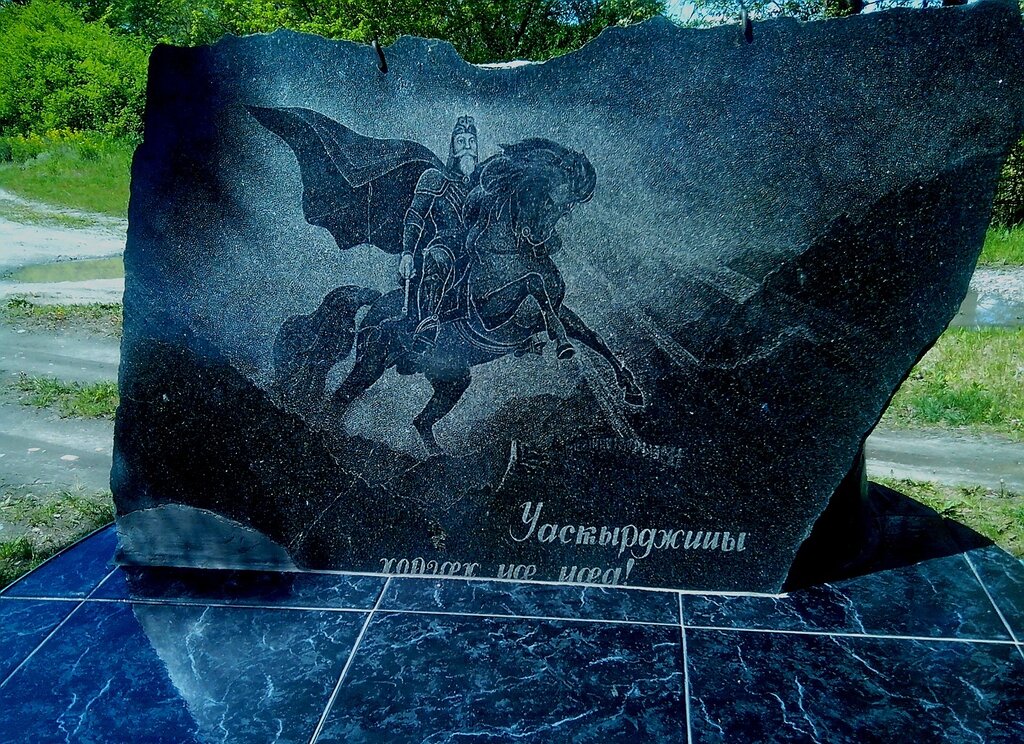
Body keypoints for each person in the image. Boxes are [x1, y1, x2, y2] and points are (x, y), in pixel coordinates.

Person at [398, 115, 479, 350]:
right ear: (452, 147)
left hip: (479, 245)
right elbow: (415, 215)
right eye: (461, 141)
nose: (467, 146)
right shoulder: (435, 178)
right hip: (446, 243)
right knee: (437, 258)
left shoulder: (483, 183)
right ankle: (428, 322)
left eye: (471, 141)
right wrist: (407, 253)